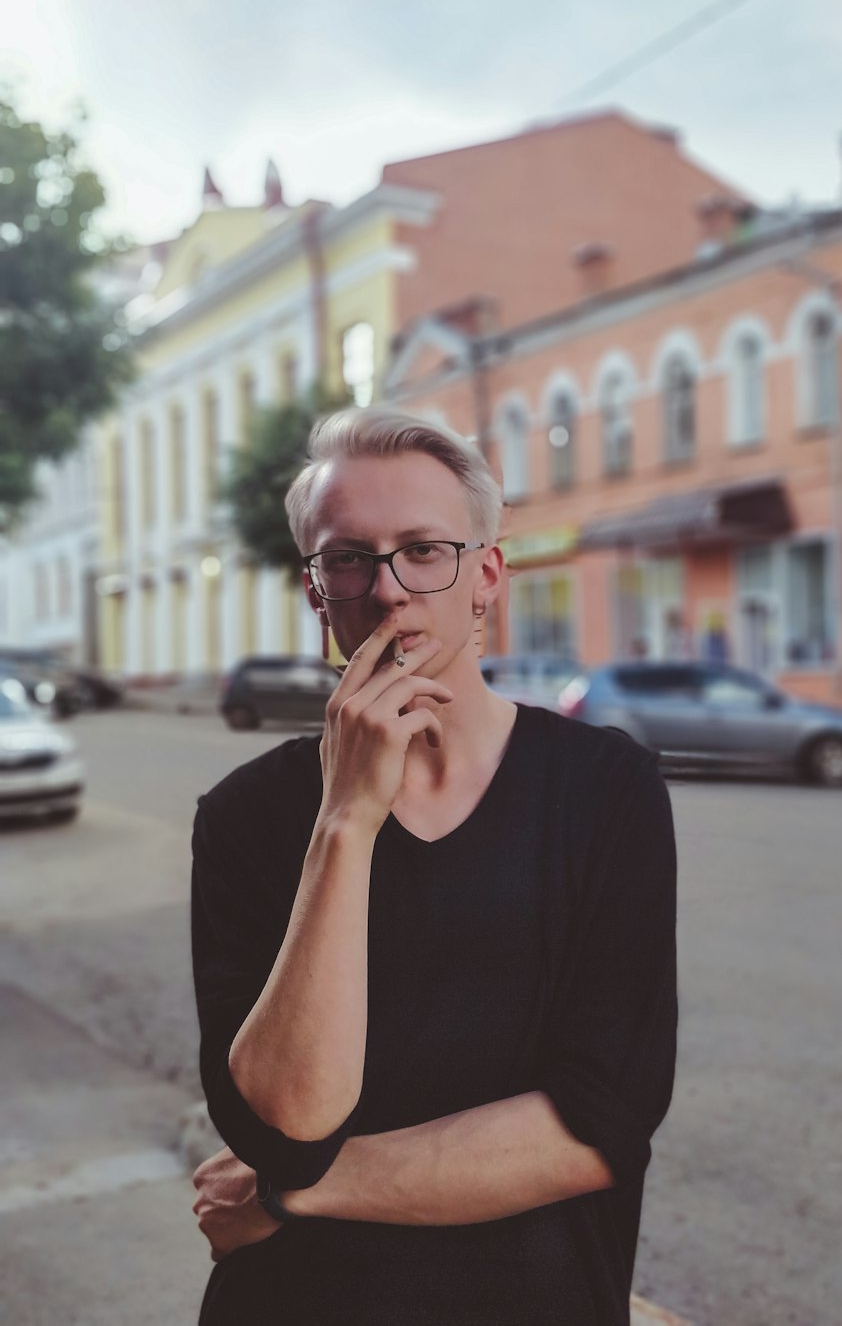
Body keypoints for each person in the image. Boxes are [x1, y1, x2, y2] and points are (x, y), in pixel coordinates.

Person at [190, 408, 678, 1325]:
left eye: (424, 550)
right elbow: (289, 1123)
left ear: (485, 575)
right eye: (348, 558)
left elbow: (601, 1123)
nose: (389, 590)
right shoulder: (245, 818)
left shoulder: (605, 789)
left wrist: (291, 1195)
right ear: (315, 591)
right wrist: (346, 820)